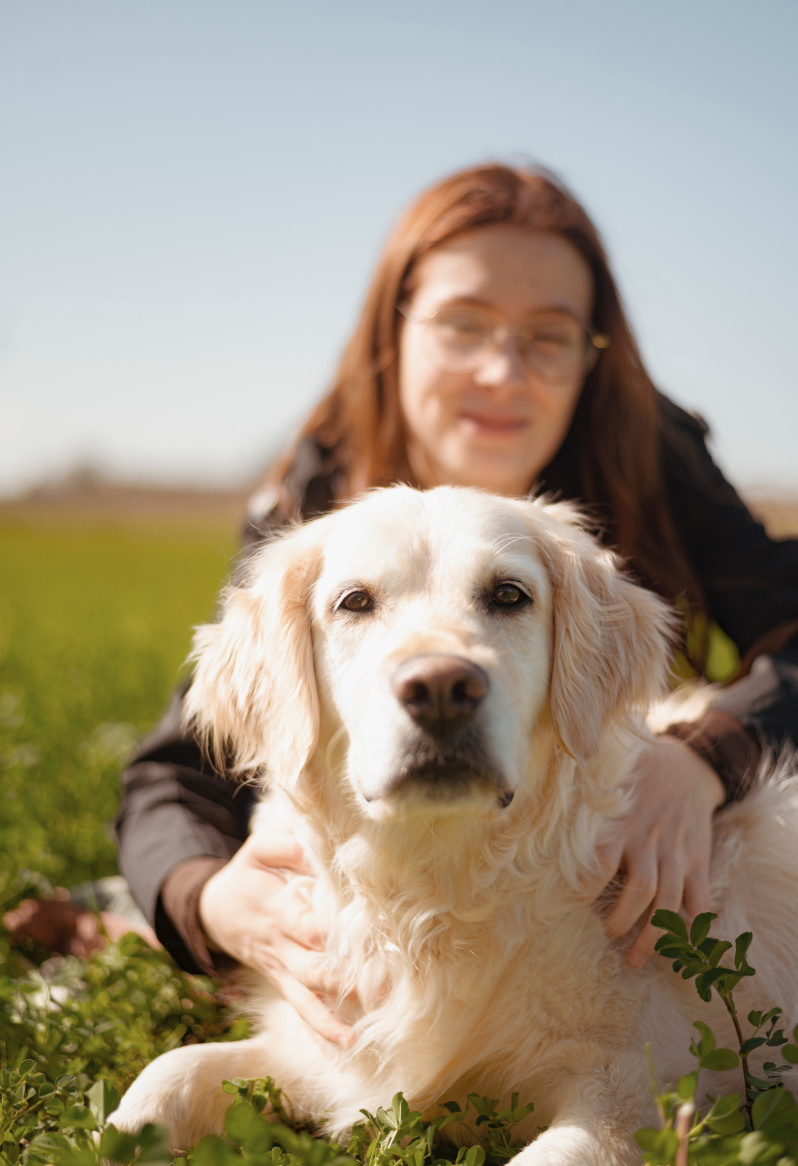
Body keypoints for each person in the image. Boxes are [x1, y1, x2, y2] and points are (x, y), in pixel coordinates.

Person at [115, 162, 798, 1049]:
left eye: (549, 336)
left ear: (593, 355)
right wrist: (203, 895)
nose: (502, 370)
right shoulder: (309, 502)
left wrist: (704, 757)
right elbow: (175, 772)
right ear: (396, 335)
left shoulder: (649, 446)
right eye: (463, 324)